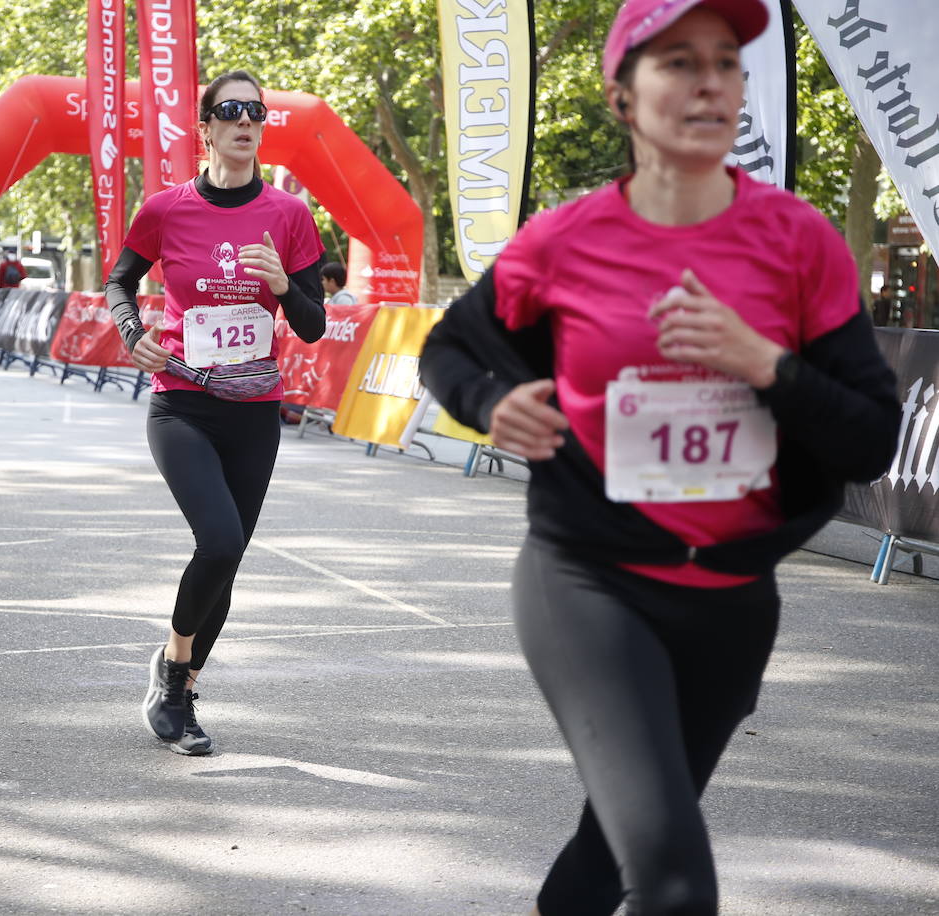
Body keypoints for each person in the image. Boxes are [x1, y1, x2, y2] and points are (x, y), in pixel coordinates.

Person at [419, 1, 902, 913]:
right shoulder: (564, 240)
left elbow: (871, 438)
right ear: (623, 96)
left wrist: (764, 365)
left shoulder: (800, 241)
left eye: (727, 61)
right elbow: (448, 348)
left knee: (611, 856)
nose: (710, 81)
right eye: (678, 62)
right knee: (676, 886)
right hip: (589, 585)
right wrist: (491, 402)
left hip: (732, 603)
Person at [105, 69, 326, 755]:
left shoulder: (289, 217)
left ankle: (183, 688)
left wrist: (284, 285)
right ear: (206, 128)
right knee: (221, 541)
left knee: (227, 561)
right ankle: (173, 674)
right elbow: (119, 279)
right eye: (230, 110)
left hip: (253, 410)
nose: (245, 121)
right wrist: (132, 333)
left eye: (256, 112)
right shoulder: (167, 209)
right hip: (182, 404)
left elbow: (314, 326)